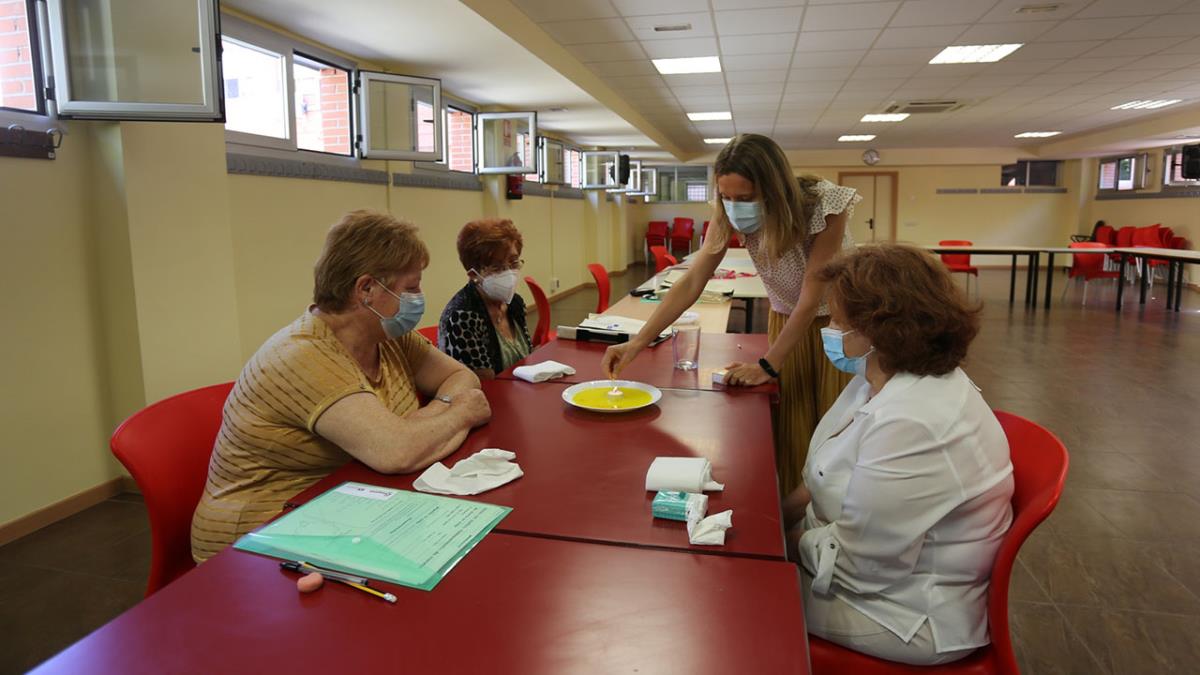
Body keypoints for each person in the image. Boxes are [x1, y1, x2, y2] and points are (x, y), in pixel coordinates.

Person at [191, 210, 491, 562]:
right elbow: (397, 452)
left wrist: (422, 423)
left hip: (343, 506)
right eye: (411, 288)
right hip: (258, 539)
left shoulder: (388, 336)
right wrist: (462, 412)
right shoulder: (305, 356)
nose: (419, 297)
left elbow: (462, 379)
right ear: (365, 289)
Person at [783, 244, 1014, 665]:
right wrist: (776, 515)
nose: (829, 330)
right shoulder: (877, 376)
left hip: (902, 610)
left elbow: (858, 565)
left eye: (837, 320)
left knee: (743, 596)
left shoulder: (915, 421)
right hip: (860, 567)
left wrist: (784, 543)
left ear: (875, 330)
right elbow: (822, 472)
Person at [602, 133, 859, 493]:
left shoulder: (824, 205)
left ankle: (830, 520)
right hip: (785, 317)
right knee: (792, 423)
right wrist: (638, 342)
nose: (735, 206)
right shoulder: (727, 213)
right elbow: (693, 281)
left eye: (746, 198)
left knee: (834, 428)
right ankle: (789, 515)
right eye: (726, 197)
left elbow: (810, 295)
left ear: (773, 190)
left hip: (836, 323)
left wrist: (767, 365)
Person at [439, 218, 532, 378]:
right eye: (496, 267)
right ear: (473, 275)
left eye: (513, 262)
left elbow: (526, 358)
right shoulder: (462, 316)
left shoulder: (515, 303)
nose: (508, 272)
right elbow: (484, 385)